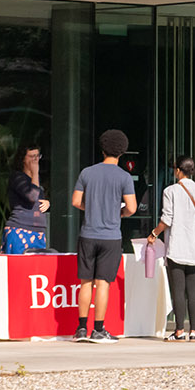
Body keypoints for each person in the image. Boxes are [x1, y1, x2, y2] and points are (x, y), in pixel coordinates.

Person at [70, 129, 137, 343]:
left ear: (102, 149)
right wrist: (119, 212)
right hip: (111, 236)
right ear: (122, 152)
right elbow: (132, 208)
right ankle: (98, 329)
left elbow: (75, 201)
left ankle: (81, 328)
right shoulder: (124, 177)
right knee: (103, 283)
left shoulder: (87, 173)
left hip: (87, 234)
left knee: (86, 282)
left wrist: (91, 209)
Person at [147, 155, 195, 341]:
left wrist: (154, 234)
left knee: (178, 290)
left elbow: (166, 219)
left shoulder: (171, 191)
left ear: (178, 170)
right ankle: (194, 331)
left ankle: (179, 331)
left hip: (177, 246)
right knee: (193, 290)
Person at [2, 142, 52, 254]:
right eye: (31, 156)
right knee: (19, 268)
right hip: (20, 229)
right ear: (23, 159)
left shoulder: (36, 181)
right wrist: (35, 172)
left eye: (37, 156)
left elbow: (37, 199)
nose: (35, 160)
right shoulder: (17, 177)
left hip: (38, 232)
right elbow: (32, 196)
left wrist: (47, 202)